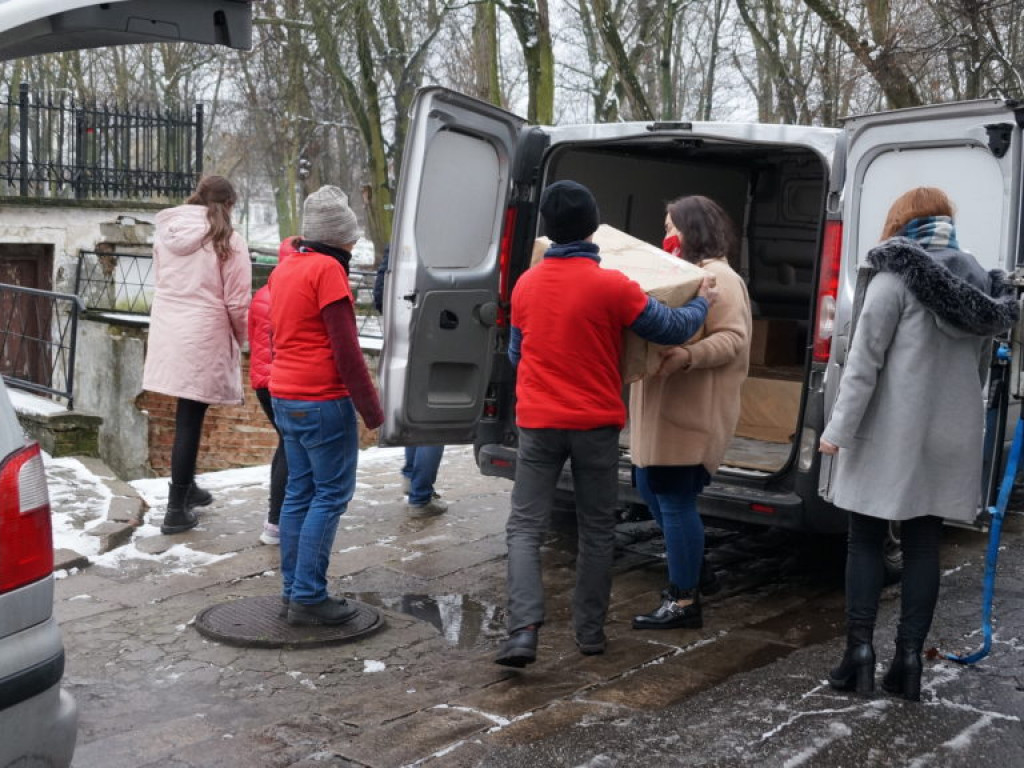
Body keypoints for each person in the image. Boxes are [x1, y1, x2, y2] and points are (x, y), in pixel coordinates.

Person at [496, 180, 717, 667]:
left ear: (549, 232)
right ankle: (590, 634)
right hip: (595, 425)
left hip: (537, 423)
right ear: (593, 226)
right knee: (597, 529)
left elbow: (516, 353)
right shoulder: (612, 285)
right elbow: (673, 327)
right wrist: (702, 298)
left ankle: (523, 632)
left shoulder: (526, 284)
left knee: (524, 529)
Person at [819, 187, 1017, 700]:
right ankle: (908, 663)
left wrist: (837, 431)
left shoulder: (894, 277)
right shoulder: (977, 282)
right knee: (923, 544)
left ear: (901, 220)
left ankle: (857, 655)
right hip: (948, 438)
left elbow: (863, 365)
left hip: (887, 434)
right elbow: (977, 373)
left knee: (864, 539)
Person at [630, 195, 752, 631]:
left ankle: (684, 601)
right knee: (648, 484)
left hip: (692, 412)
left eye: (672, 225)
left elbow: (733, 338)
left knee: (674, 497)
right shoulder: (679, 274)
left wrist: (687, 356)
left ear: (693, 229)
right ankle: (696, 571)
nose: (666, 234)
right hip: (658, 412)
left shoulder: (719, 278)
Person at [269, 185, 384, 626]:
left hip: (286, 395)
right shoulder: (328, 272)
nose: (355, 245)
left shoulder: (285, 269)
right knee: (330, 495)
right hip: (322, 400)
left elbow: (276, 336)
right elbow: (347, 350)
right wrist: (372, 412)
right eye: (351, 238)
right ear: (337, 237)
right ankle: (309, 595)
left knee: (299, 491)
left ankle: (291, 588)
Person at [143, 175, 252, 535]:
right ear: (230, 204)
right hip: (203, 334)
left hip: (169, 331)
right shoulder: (228, 241)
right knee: (189, 417)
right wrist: (241, 338)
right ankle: (176, 509)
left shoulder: (167, 232)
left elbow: (162, 281)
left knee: (188, 412)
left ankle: (187, 488)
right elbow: (238, 302)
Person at [373, 246, 447, 516]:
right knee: (436, 422)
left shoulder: (400, 243)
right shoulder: (449, 247)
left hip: (402, 339)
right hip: (438, 339)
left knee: (413, 411)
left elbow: (380, 295)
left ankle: (410, 477)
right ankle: (420, 496)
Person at [248, 236, 298, 546]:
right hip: (283, 381)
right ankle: (277, 521)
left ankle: (280, 518)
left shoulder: (261, 295)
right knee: (290, 445)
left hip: (261, 384)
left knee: (288, 443)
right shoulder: (291, 294)